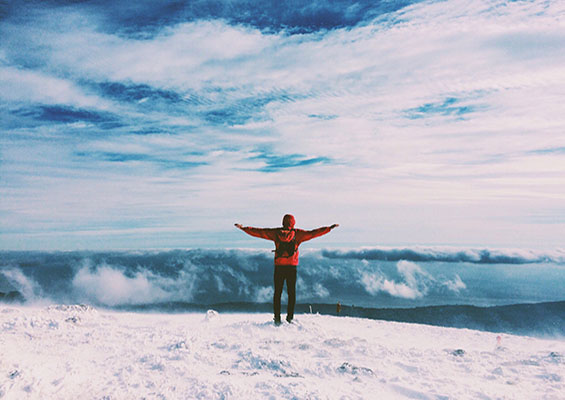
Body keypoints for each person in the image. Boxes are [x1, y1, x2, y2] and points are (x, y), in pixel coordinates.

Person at [235, 214, 339, 325]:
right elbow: (312, 233)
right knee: (291, 293)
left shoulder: (276, 233)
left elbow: (260, 232)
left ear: (283, 222)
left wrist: (244, 228)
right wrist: (329, 228)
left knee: (277, 293)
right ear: (293, 223)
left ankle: (277, 318)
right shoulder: (298, 234)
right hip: (291, 267)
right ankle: (290, 318)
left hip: (279, 266)